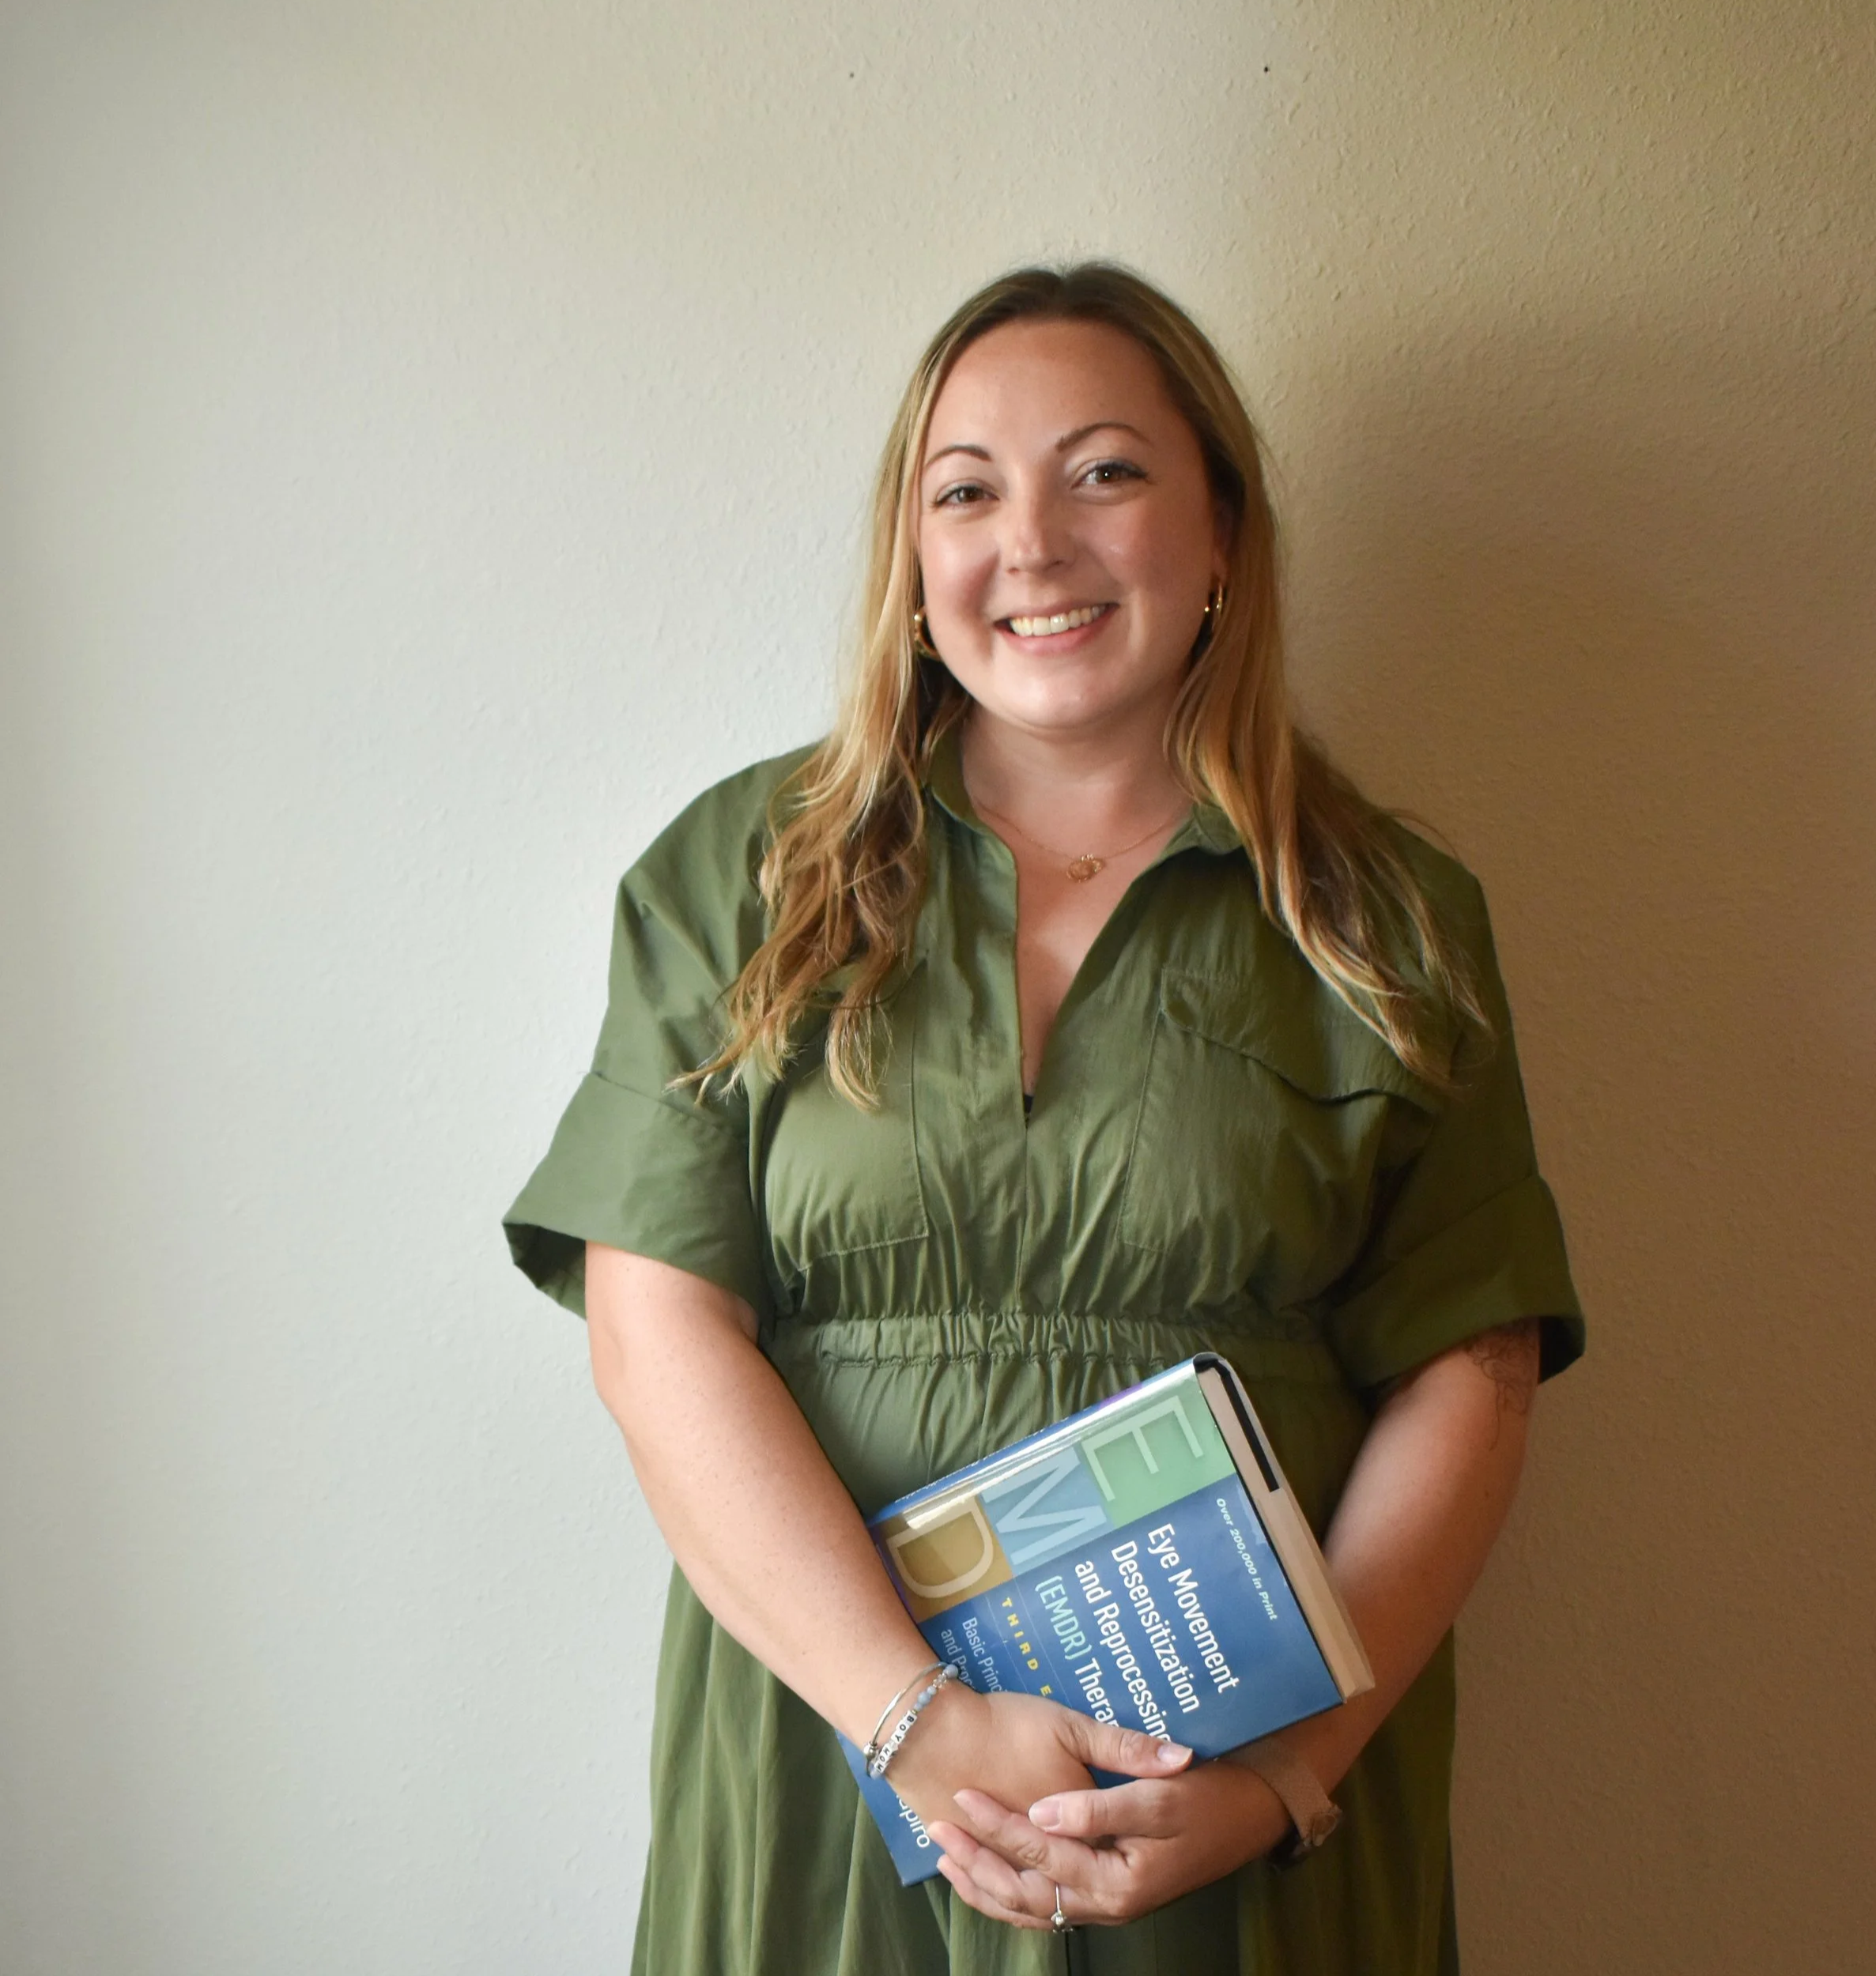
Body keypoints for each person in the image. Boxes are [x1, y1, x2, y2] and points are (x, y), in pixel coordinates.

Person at [502, 262, 1584, 1976]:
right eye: (966, 489)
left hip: (1226, 1796)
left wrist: (1279, 1776)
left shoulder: (1385, 916)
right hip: (830, 1771)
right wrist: (913, 1717)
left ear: (1221, 532)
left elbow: (1473, 1368)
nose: (1033, 543)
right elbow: (655, 1336)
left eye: (1105, 472)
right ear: (910, 558)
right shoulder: (735, 880)